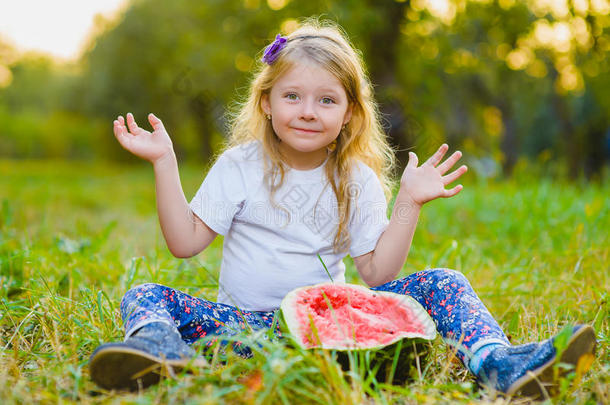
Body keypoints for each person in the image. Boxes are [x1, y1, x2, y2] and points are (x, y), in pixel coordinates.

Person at [89, 21, 597, 398]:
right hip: (246, 328)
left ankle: (499, 364)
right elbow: (184, 245)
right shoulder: (239, 165)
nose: (307, 110)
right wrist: (165, 162)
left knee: (444, 281)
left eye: (326, 100)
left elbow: (378, 274)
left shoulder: (357, 178)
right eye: (292, 96)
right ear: (266, 102)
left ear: (350, 111)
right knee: (147, 294)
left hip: (335, 329)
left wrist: (409, 202)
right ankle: (158, 353)